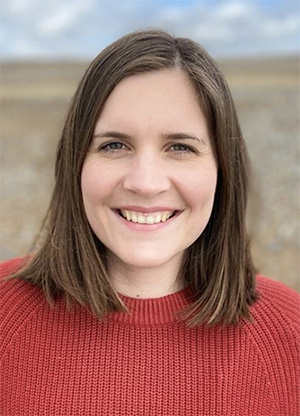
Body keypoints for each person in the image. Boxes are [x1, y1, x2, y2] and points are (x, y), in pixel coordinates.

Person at [0, 29, 299, 416]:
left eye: (180, 147)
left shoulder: (288, 335)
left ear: (223, 169)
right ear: (75, 163)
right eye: (114, 145)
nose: (145, 183)